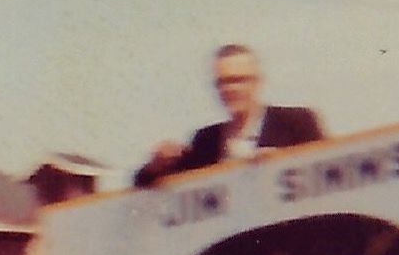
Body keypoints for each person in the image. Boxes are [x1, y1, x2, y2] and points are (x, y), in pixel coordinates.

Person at [133, 44, 324, 188]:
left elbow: (328, 174)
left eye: (238, 80)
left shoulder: (296, 122)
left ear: (258, 81)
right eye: (222, 82)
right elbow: (144, 185)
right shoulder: (206, 140)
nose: (230, 89)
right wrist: (157, 164)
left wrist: (285, 163)